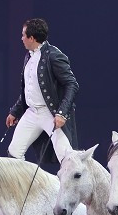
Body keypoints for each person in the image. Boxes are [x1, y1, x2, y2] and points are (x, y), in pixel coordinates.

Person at [5, 18, 79, 163]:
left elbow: (72, 84)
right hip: (32, 113)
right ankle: (23, 185)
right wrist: (15, 111)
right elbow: (30, 89)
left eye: (23, 35)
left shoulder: (54, 55)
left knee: (68, 158)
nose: (21, 38)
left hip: (50, 113)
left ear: (31, 38)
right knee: (14, 153)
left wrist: (62, 113)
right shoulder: (29, 56)